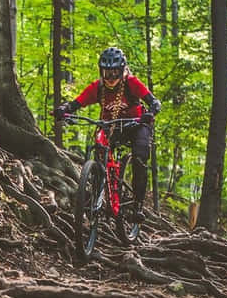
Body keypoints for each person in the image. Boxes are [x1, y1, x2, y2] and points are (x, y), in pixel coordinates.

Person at [55, 47, 161, 222]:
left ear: (122, 71)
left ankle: (138, 205)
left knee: (140, 157)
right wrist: (64, 109)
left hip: (136, 125)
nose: (110, 77)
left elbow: (153, 101)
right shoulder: (98, 88)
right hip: (110, 127)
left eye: (115, 72)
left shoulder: (132, 83)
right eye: (106, 72)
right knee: (99, 148)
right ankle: (98, 190)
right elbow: (77, 102)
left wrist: (151, 112)